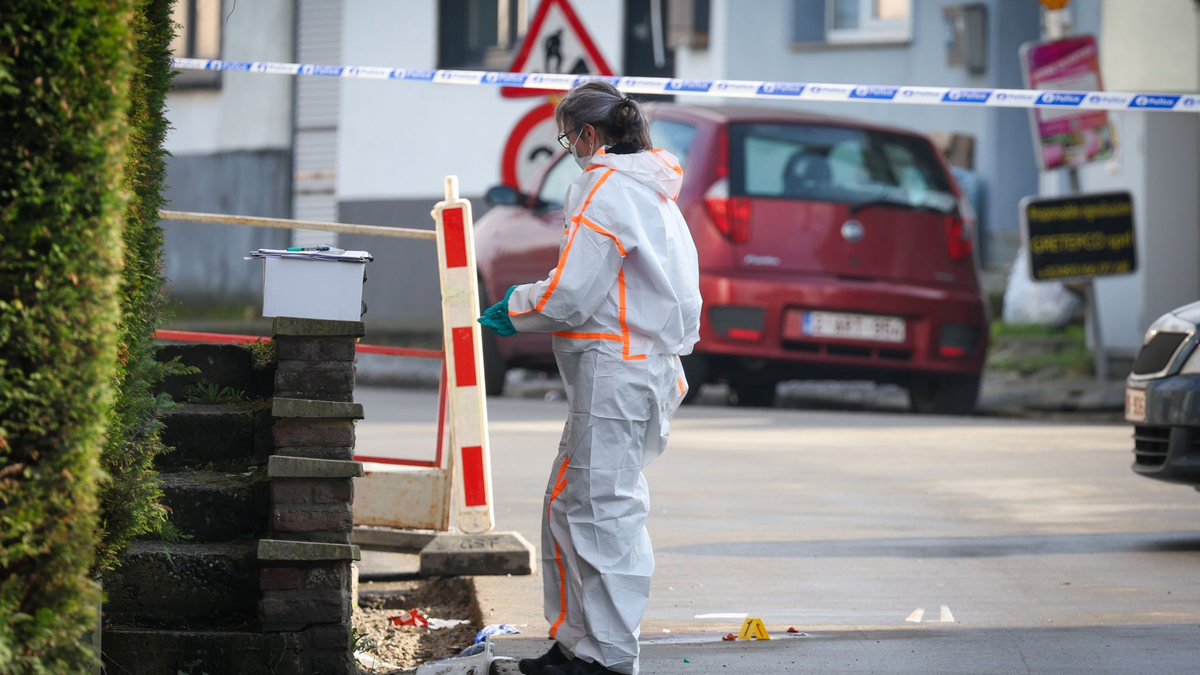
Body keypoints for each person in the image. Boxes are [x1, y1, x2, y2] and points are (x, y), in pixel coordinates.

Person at [478, 81, 701, 675]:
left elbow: (573, 292)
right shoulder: (655, 191)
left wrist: (517, 306)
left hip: (615, 373)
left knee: (602, 516)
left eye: (568, 139)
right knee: (573, 507)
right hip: (638, 370)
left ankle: (604, 657)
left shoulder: (604, 186)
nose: (570, 150)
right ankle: (577, 644)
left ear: (589, 134)